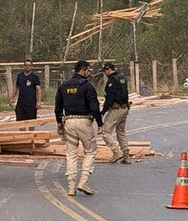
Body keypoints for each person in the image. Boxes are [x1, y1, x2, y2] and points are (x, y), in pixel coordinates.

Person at [54, 60, 103, 196]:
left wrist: (59, 123)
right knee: (90, 151)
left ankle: (70, 187)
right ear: (82, 71)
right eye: (88, 71)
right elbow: (94, 106)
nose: (88, 73)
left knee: (71, 154)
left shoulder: (64, 86)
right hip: (84, 121)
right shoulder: (87, 86)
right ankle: (83, 181)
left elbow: (57, 107)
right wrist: (100, 123)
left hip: (68, 121)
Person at [100, 61, 131, 164]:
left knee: (105, 131)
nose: (104, 73)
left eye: (105, 71)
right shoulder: (122, 77)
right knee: (120, 132)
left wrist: (103, 112)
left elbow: (110, 98)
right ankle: (126, 155)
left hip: (116, 109)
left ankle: (117, 152)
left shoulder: (112, 80)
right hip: (125, 108)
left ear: (109, 69)